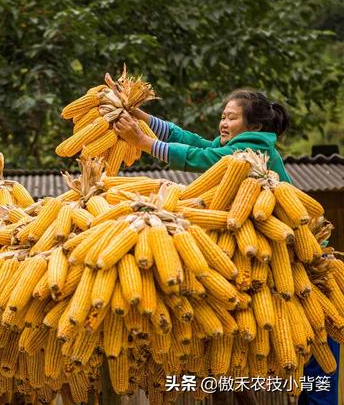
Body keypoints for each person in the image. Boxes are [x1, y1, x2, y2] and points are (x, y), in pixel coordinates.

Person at [113, 89, 339, 405]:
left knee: (317, 364)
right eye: (223, 116)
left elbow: (203, 158)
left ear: (255, 126)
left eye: (231, 117)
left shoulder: (252, 149)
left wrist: (145, 143)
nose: (223, 122)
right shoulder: (234, 146)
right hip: (272, 254)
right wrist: (143, 118)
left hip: (304, 263)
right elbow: (192, 141)